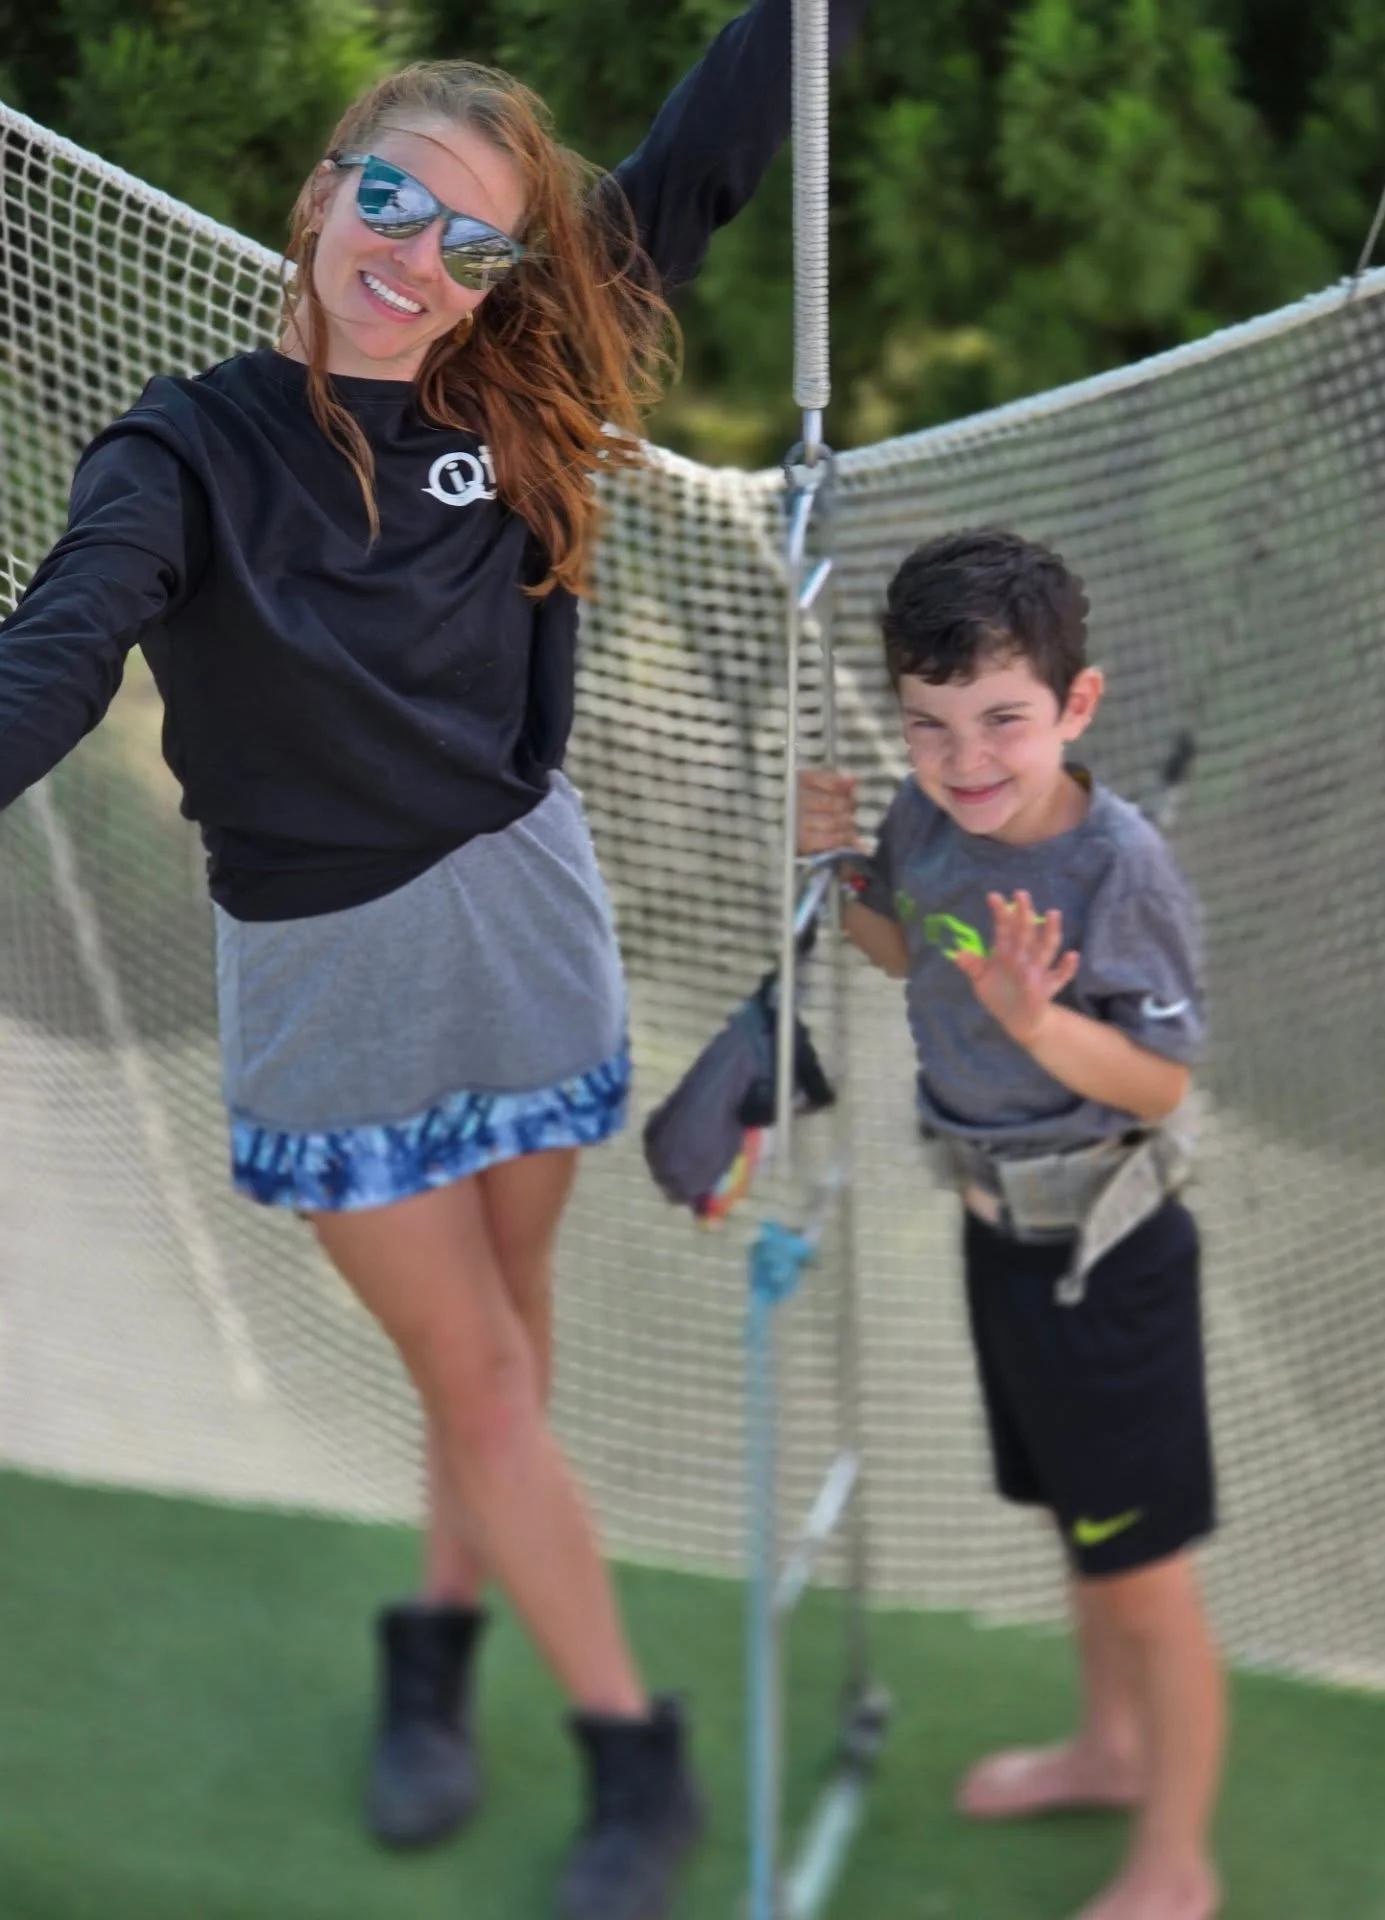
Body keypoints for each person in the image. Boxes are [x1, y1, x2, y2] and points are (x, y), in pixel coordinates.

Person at [0, 5, 865, 1913]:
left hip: (523, 911)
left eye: (475, 243)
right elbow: (63, 643)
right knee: (474, 1373)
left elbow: (714, 138)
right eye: (395, 204)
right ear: (323, 198)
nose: (421, 263)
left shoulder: (520, 372)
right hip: (326, 968)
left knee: (505, 1350)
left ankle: (438, 1641)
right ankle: (634, 1755)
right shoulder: (186, 452)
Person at [798, 528, 1224, 1920]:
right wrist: (847, 873)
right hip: (1000, 1238)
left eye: (1002, 722)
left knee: (1145, 1572)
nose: (965, 759)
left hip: (1106, 1258)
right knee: (1077, 1527)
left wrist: (1041, 1026)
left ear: (1075, 707)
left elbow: (1160, 1083)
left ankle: (1177, 1857)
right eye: (930, 727)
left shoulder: (1123, 872)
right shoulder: (933, 822)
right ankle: (1106, 1752)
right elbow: (917, 956)